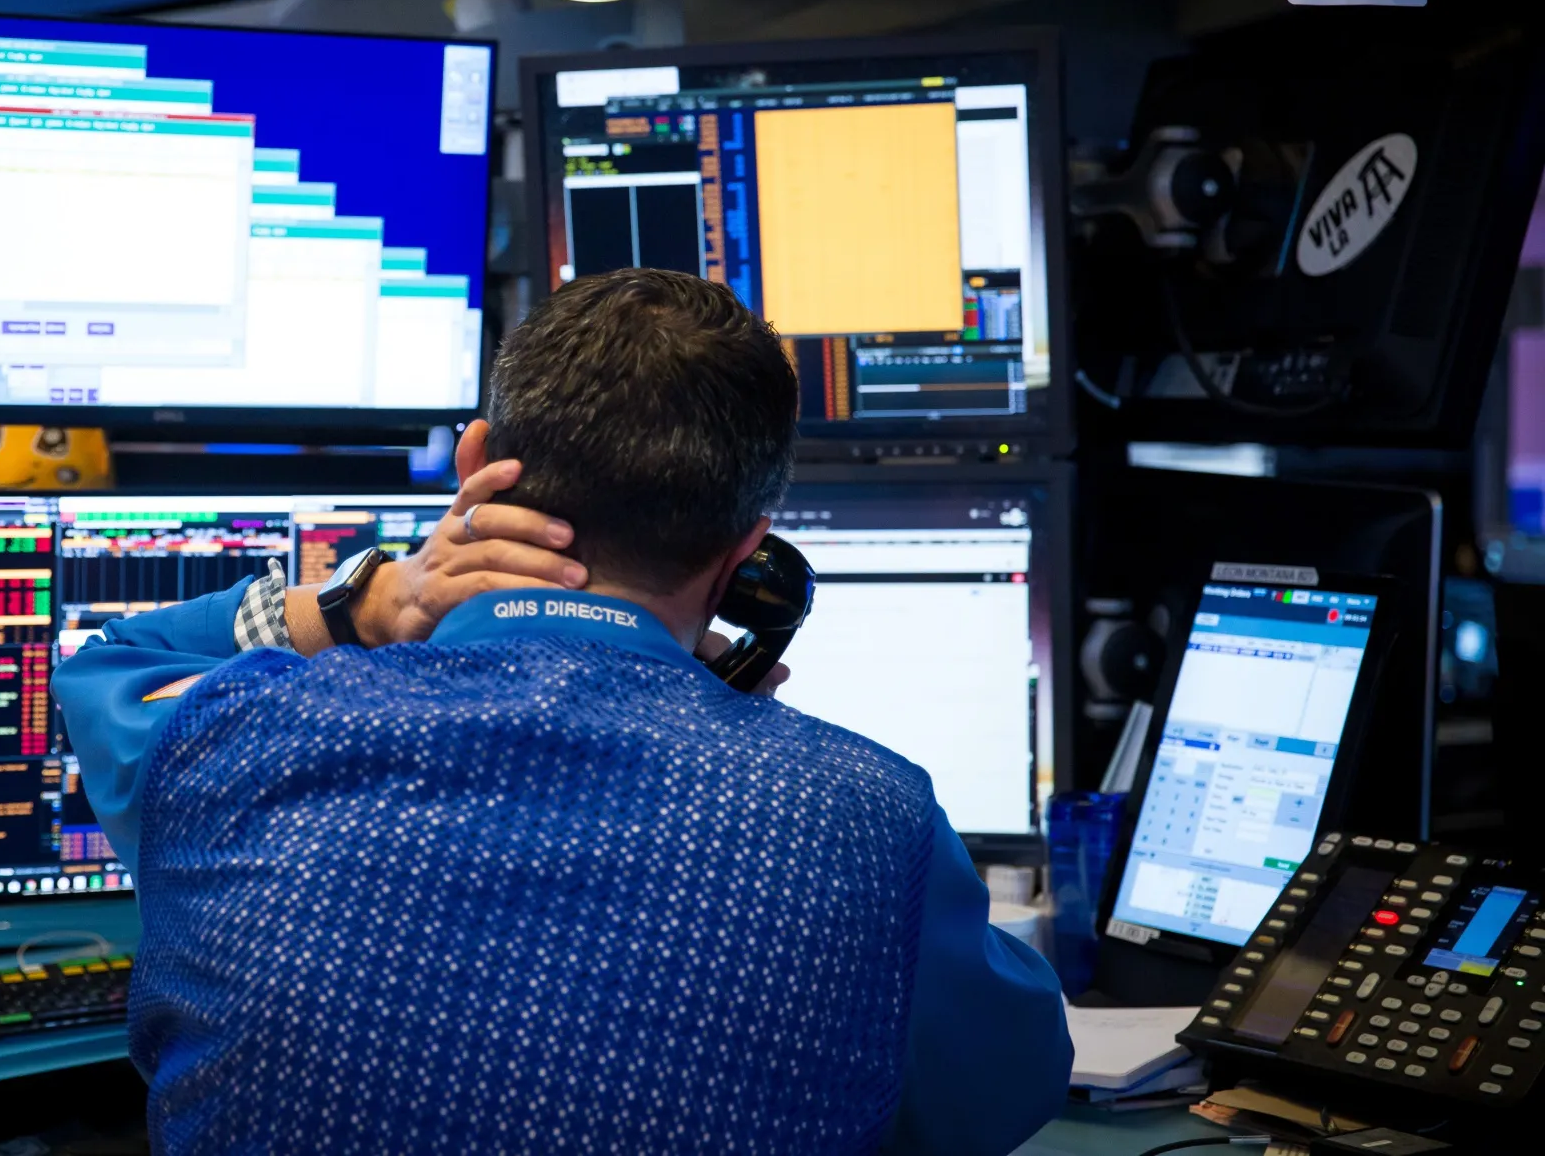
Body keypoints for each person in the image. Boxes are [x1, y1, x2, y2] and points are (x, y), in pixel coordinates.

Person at [52, 269, 1072, 1154]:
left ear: (475, 460)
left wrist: (373, 601)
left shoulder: (234, 741)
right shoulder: (866, 821)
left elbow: (112, 665)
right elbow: (1003, 1085)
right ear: (745, 551)